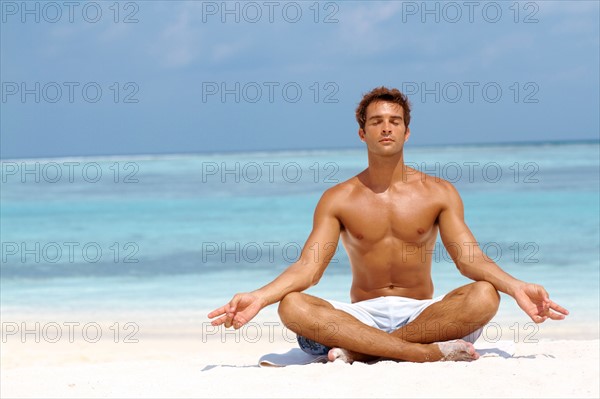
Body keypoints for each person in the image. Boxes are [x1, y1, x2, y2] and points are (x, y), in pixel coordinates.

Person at [208, 86, 569, 363]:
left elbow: (469, 259)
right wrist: (259, 297)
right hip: (360, 314)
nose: (386, 128)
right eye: (375, 121)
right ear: (361, 133)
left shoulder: (438, 192)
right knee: (292, 306)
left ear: (407, 133)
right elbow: (309, 267)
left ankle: (361, 351)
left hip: (425, 313)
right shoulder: (339, 198)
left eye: (394, 121)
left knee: (484, 295)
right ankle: (424, 354)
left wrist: (516, 286)